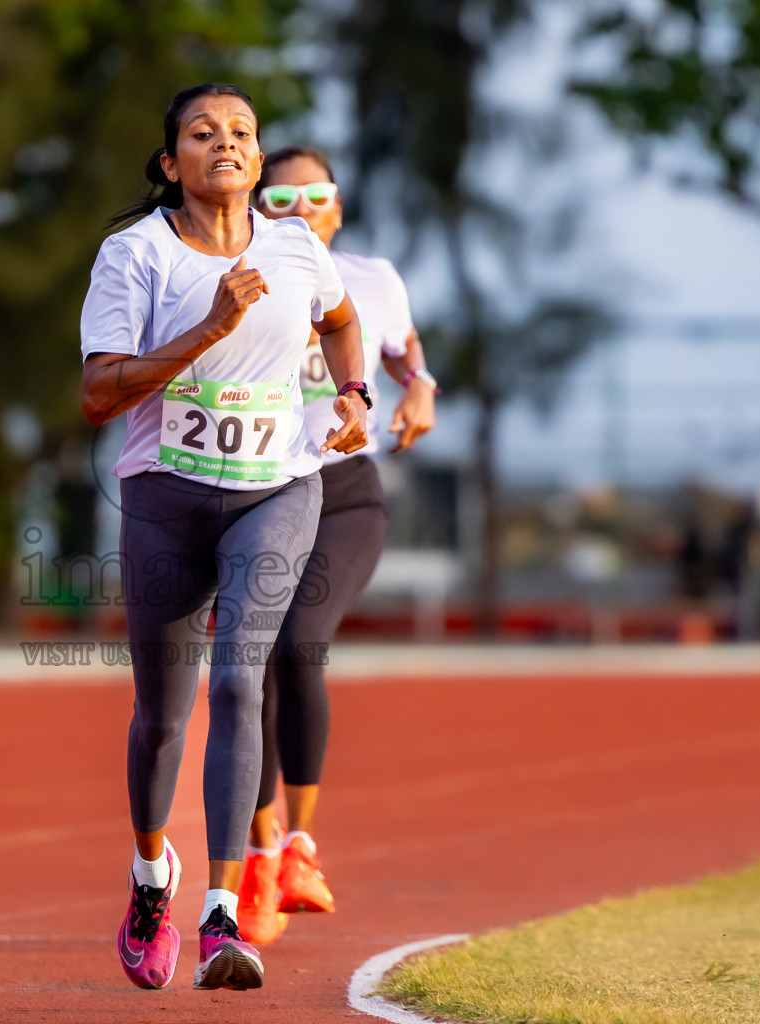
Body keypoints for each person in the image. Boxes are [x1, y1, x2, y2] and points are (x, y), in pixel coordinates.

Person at [81, 84, 370, 993]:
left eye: (242, 132)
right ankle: (149, 876)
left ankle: (221, 914)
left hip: (275, 490)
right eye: (203, 134)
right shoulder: (135, 255)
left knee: (242, 679)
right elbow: (98, 394)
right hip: (165, 496)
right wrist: (211, 326)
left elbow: (342, 319)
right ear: (171, 163)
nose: (228, 145)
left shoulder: (295, 247)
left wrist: (354, 397)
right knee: (163, 717)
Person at [237, 147, 438, 945]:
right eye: (280, 198)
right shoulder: (239, 276)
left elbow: (403, 348)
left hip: (347, 496)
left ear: (338, 208)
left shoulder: (376, 278)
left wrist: (422, 383)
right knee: (242, 671)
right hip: (257, 489)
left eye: (316, 196)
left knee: (299, 646)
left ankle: (301, 844)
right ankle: (259, 856)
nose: (301, 209)